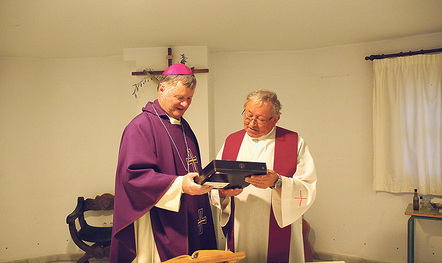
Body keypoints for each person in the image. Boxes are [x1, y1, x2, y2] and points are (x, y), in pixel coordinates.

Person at [110, 64, 217, 263]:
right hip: (155, 219)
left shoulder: (183, 126)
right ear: (162, 89)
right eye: (179, 97)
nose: (185, 104)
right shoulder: (140, 126)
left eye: (189, 98)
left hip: (186, 211)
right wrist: (180, 185)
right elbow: (133, 176)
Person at [211, 89, 317, 263]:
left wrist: (278, 182)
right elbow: (215, 182)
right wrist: (222, 193)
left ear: (276, 119)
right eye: (248, 115)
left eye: (260, 119)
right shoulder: (231, 141)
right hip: (241, 224)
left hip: (279, 226)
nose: (252, 123)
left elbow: (308, 186)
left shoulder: (294, 142)